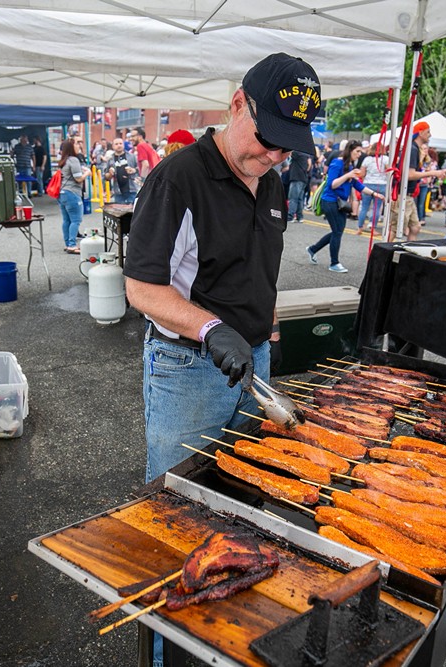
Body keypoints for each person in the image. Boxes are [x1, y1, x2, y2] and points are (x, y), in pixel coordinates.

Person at [124, 52, 321, 483]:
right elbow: (141, 289)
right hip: (189, 367)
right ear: (237, 105)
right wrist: (213, 329)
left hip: (257, 361)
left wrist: (271, 335)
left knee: (246, 482)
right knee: (178, 491)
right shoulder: (177, 180)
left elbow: (261, 270)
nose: (273, 155)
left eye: (286, 146)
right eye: (266, 136)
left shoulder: (271, 183)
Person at [306, 140, 371, 273]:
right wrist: (347, 175)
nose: (360, 154)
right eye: (357, 151)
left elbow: (357, 185)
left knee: (337, 232)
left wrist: (375, 194)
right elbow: (332, 184)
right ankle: (334, 263)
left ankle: (313, 249)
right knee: (337, 232)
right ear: (350, 150)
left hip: (340, 203)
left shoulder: (350, 165)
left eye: (360, 152)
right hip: (330, 202)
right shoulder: (337, 163)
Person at [389, 121, 446, 241]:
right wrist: (433, 173)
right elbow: (409, 175)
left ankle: (408, 254)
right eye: (428, 132)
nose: (430, 135)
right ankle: (382, 256)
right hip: (401, 194)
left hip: (407, 194)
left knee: (415, 227)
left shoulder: (414, 148)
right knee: (395, 229)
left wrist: (442, 170)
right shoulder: (412, 149)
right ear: (421, 133)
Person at [56, 138, 85, 253]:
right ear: (71, 147)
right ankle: (72, 245)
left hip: (62, 193)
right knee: (76, 220)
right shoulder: (73, 160)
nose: (79, 146)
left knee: (66, 220)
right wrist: (87, 173)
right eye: (77, 144)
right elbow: (78, 178)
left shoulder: (64, 160)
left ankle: (68, 243)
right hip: (72, 193)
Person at [355, 143, 388, 233]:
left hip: (368, 183)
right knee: (376, 208)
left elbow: (362, 174)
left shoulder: (367, 159)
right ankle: (372, 227)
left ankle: (360, 227)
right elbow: (388, 171)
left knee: (364, 206)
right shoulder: (385, 159)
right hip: (381, 184)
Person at [103, 137, 138, 205]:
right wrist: (110, 174)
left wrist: (134, 170)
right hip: (118, 192)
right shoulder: (110, 159)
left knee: (133, 213)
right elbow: (106, 176)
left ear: (123, 145)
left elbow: (138, 169)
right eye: (116, 144)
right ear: (113, 146)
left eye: (120, 143)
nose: (119, 145)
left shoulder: (132, 156)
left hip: (131, 190)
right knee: (120, 213)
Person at [286, 148, 311, 224]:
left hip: (296, 177)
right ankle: (300, 217)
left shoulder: (297, 153)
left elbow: (289, 152)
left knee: (293, 198)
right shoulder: (306, 154)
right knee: (300, 199)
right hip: (303, 178)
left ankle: (290, 216)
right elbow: (309, 165)